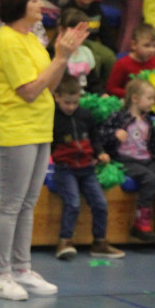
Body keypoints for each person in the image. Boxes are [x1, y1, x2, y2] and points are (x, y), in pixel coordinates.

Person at [0, 0, 89, 301]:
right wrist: (61, 56)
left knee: (28, 203)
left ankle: (21, 268)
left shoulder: (32, 40)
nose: (40, 3)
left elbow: (50, 85)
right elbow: (28, 91)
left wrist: (61, 58)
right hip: (16, 129)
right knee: (11, 203)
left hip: (40, 128)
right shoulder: (6, 42)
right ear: (19, 5)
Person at [51, 75, 124, 261]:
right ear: (56, 97)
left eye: (75, 102)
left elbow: (94, 138)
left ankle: (100, 242)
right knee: (73, 203)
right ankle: (64, 241)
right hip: (64, 169)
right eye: (67, 102)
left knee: (101, 204)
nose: (71, 107)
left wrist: (100, 152)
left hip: (87, 168)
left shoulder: (85, 115)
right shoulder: (51, 117)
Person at [99, 79, 155, 244]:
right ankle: (140, 223)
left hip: (146, 159)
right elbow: (101, 132)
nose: (153, 102)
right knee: (149, 179)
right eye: (149, 98)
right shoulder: (119, 116)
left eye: (153, 99)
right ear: (135, 98)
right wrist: (114, 133)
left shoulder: (148, 120)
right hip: (125, 160)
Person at [60, 0, 117, 85]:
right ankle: (91, 86)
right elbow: (62, 31)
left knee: (110, 57)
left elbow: (105, 32)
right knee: (95, 58)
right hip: (75, 44)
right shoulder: (69, 8)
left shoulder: (97, 8)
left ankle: (107, 86)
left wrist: (112, 50)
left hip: (92, 44)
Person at [106, 24, 155, 99]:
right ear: (133, 45)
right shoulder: (122, 64)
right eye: (147, 45)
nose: (152, 50)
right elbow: (111, 89)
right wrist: (134, 94)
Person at [52, 8, 99, 94]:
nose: (80, 35)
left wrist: (103, 94)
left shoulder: (86, 52)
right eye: (76, 31)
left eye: (84, 31)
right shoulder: (52, 53)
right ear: (61, 29)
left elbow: (93, 82)